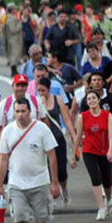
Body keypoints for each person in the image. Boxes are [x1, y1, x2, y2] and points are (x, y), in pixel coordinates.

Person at [0, 98, 61, 223]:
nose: (20, 115)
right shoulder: (8, 131)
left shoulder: (41, 129)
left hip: (39, 179)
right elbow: (3, 158)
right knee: (18, 216)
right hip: (16, 181)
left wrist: (55, 182)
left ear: (29, 111)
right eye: (17, 111)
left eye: (23, 111)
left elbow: (52, 156)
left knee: (40, 216)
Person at [71, 90, 112, 220]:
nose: (91, 101)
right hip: (89, 151)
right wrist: (74, 155)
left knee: (107, 181)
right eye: (89, 99)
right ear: (86, 102)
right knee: (95, 178)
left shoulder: (107, 115)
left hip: (104, 151)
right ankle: (101, 208)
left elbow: (111, 136)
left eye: (93, 98)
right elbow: (78, 137)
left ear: (99, 99)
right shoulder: (82, 116)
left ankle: (108, 199)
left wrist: (110, 151)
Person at [37, 77, 76, 205]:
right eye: (39, 91)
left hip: (57, 137)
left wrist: (73, 134)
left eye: (43, 90)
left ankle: (64, 188)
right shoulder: (36, 102)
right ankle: (51, 195)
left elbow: (66, 118)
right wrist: (41, 105)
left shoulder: (57, 99)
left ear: (49, 89)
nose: (41, 93)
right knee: (47, 167)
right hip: (44, 139)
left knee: (61, 170)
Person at [4, 3, 24, 76]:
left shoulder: (11, 18)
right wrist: (20, 24)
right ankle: (13, 70)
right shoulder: (11, 19)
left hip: (14, 39)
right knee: (14, 55)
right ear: (12, 10)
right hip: (13, 39)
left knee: (15, 55)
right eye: (15, 9)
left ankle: (14, 70)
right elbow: (13, 29)